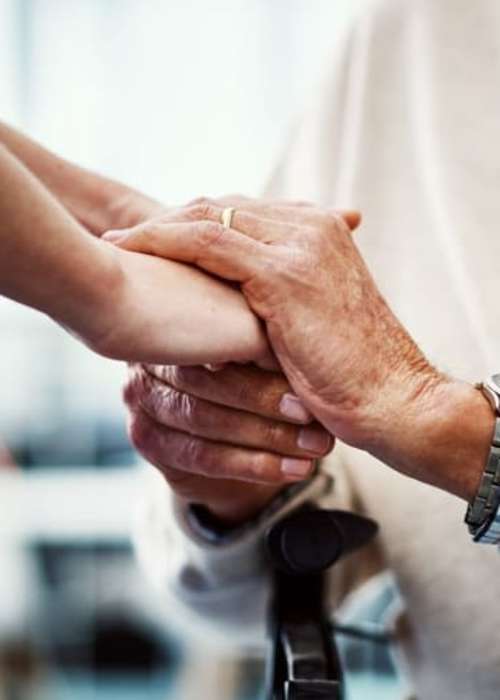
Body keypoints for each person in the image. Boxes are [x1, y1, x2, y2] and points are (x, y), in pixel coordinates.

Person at [120, 1, 500, 698]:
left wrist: (441, 421)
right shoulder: (412, 40)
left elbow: (389, 399)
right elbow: (250, 590)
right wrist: (236, 483)